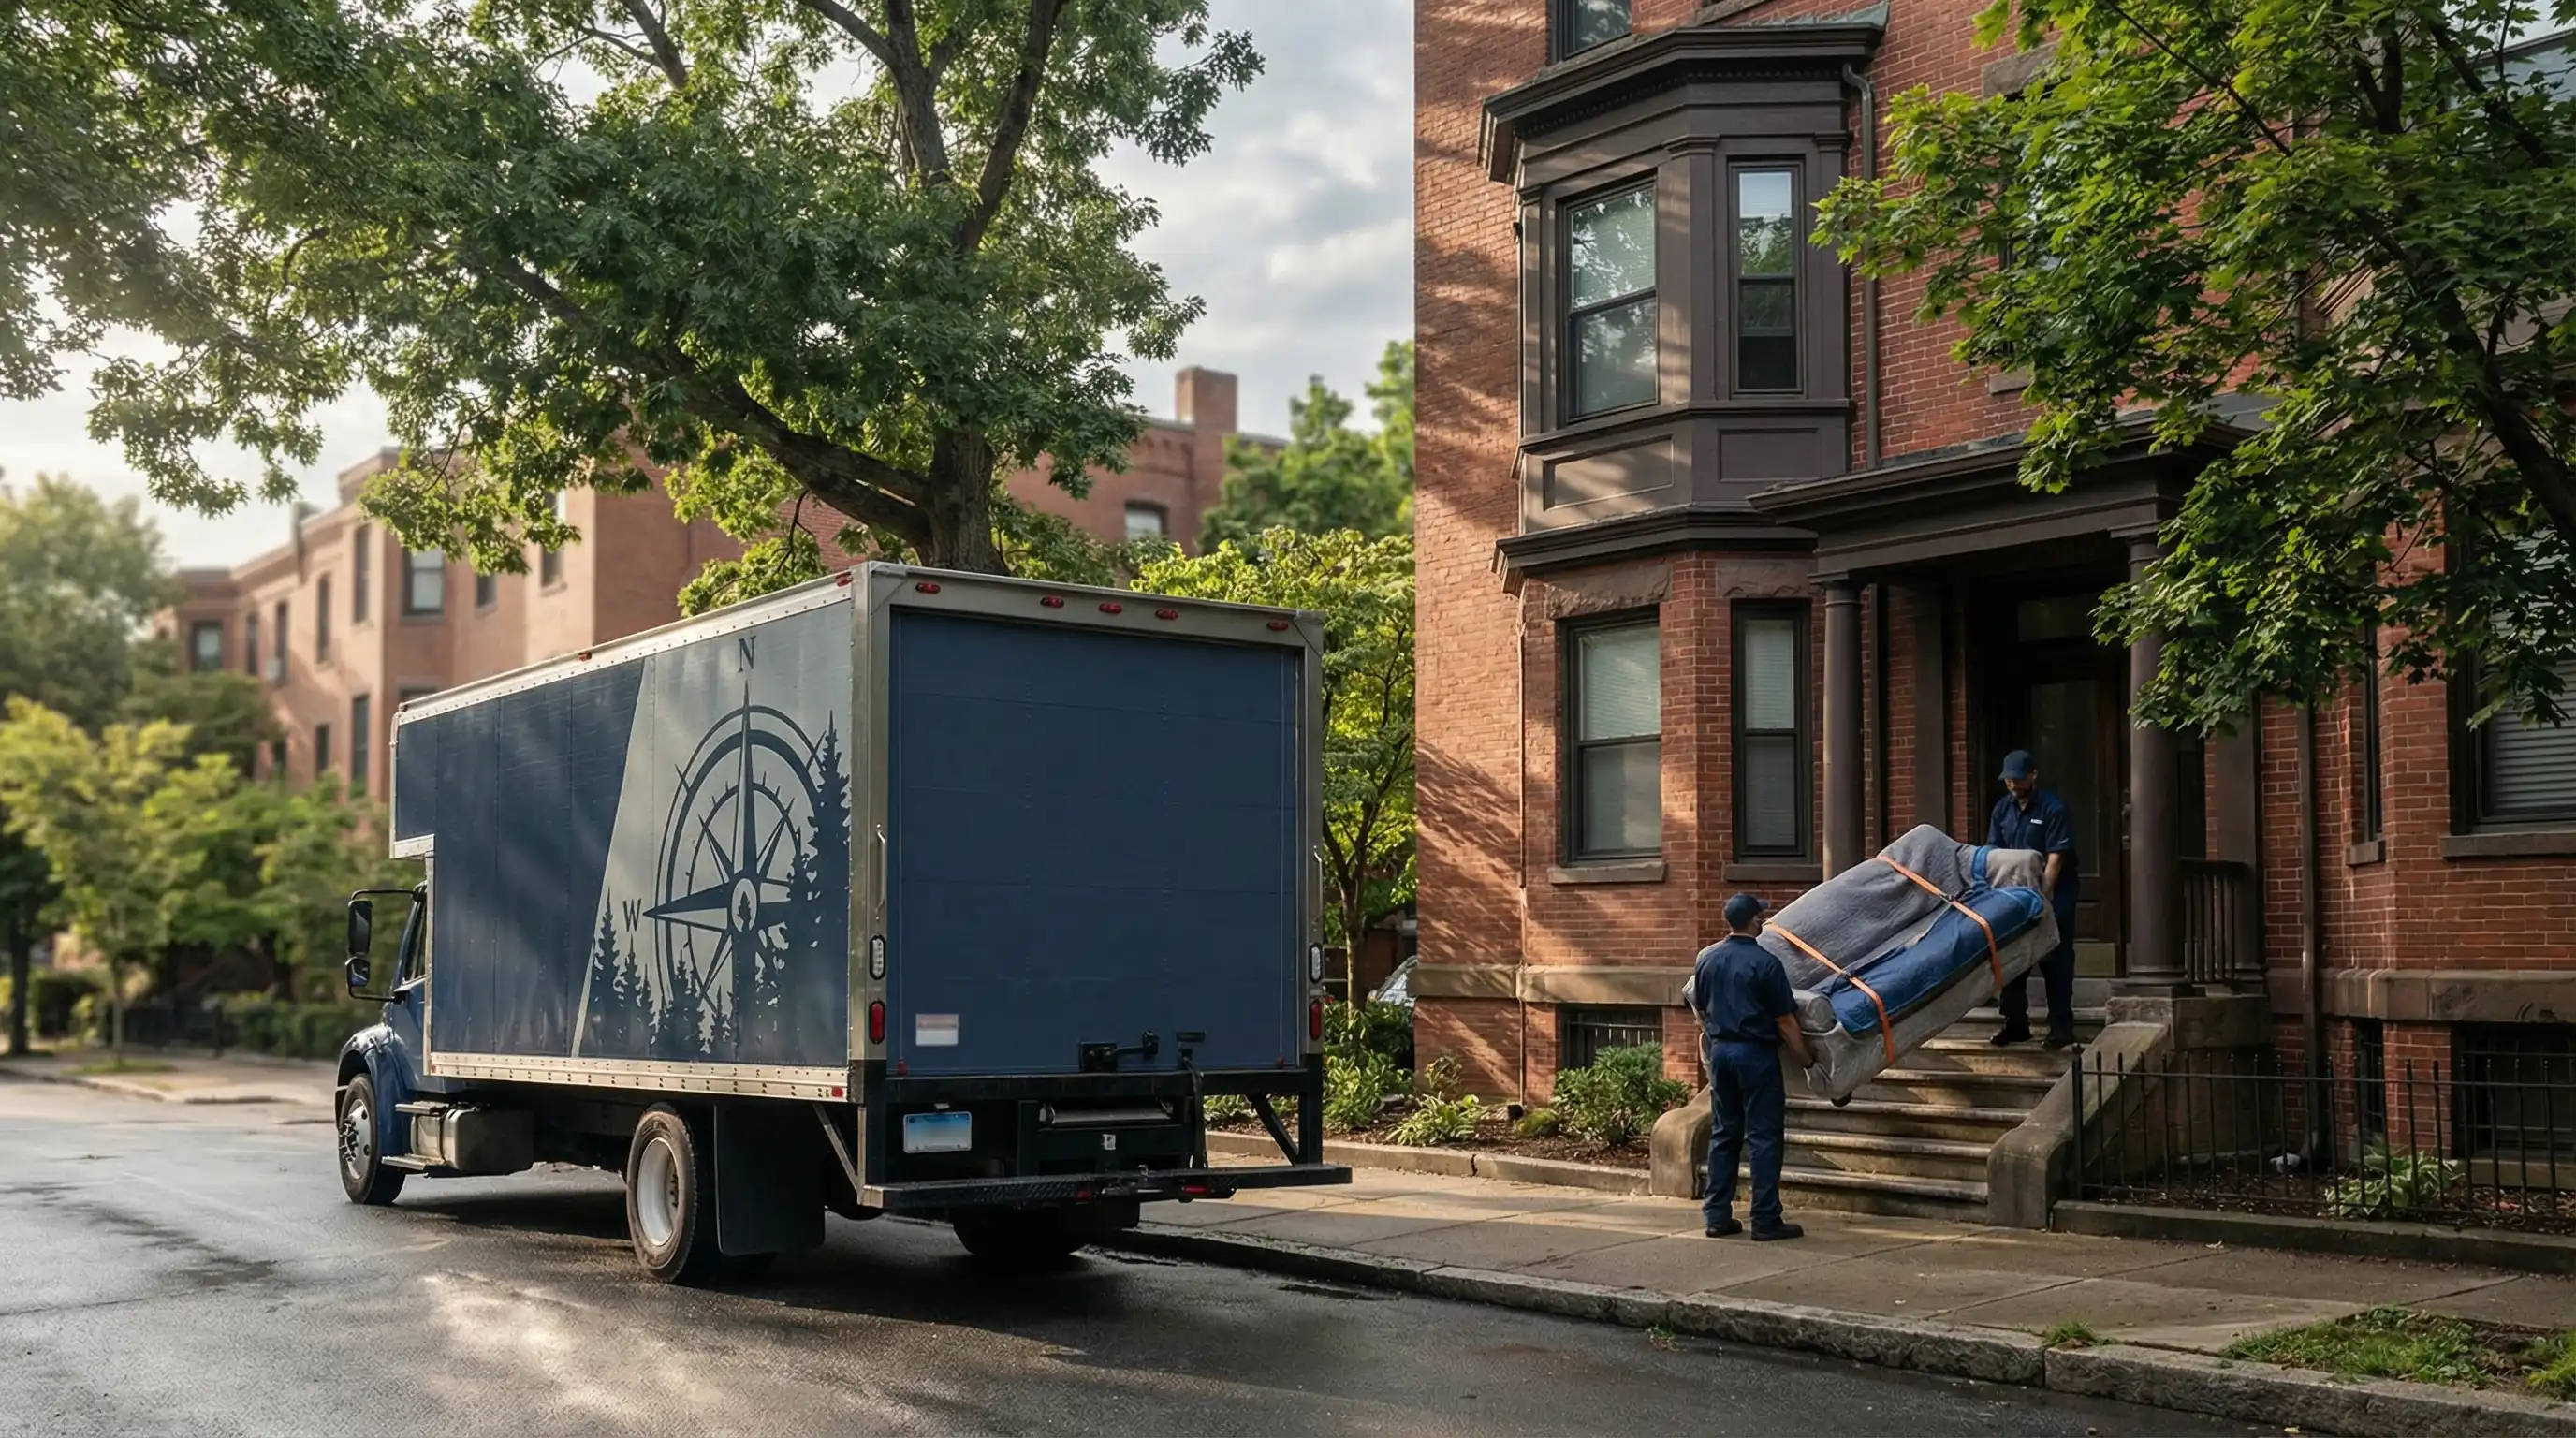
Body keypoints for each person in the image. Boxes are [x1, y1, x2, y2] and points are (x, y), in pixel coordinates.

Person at [1688, 893, 1817, 1241]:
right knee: (1763, 1136)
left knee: (1724, 1134)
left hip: (1722, 1055)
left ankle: (1717, 1216)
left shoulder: (1708, 961)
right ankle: (1765, 1219)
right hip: (1756, 1056)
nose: (1763, 920)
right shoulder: (1767, 964)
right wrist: (1807, 1060)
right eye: (1761, 916)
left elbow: (1700, 1008)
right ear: (1755, 921)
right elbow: (1786, 1021)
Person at [1986, 749, 2078, 1049]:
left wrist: (2045, 896)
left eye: (2018, 779)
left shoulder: (2053, 808)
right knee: (2012, 958)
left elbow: (2056, 858)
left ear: (2033, 776)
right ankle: (2015, 1024)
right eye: (2008, 780)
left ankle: (2061, 1029)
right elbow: (1994, 854)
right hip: (2013, 894)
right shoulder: (2002, 809)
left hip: (2054, 892)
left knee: (2055, 958)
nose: (2012, 785)